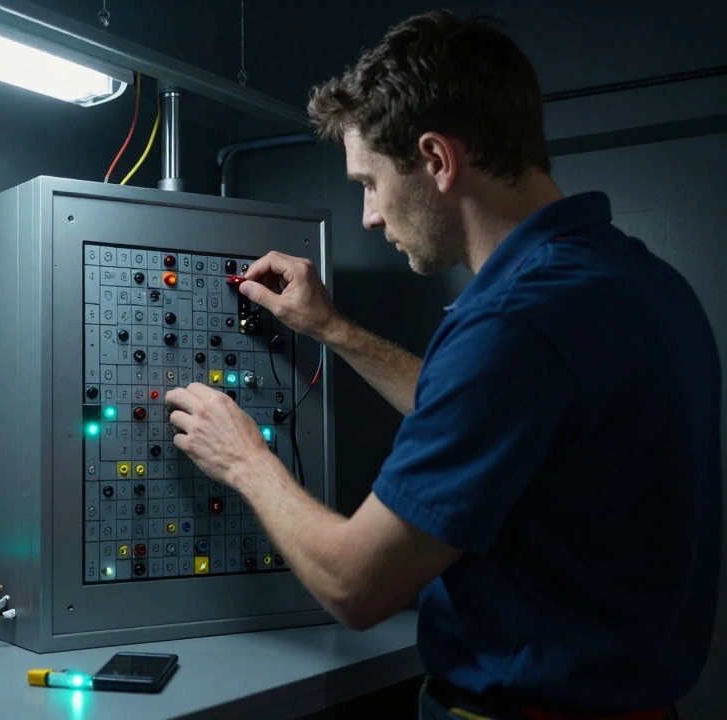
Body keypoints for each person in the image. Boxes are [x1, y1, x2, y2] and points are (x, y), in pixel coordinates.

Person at [163, 10, 721, 720]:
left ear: (436, 159)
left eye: (370, 181)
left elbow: (355, 585)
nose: (368, 215)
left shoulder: (515, 324)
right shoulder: (641, 284)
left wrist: (244, 459)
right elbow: (493, 417)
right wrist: (332, 328)